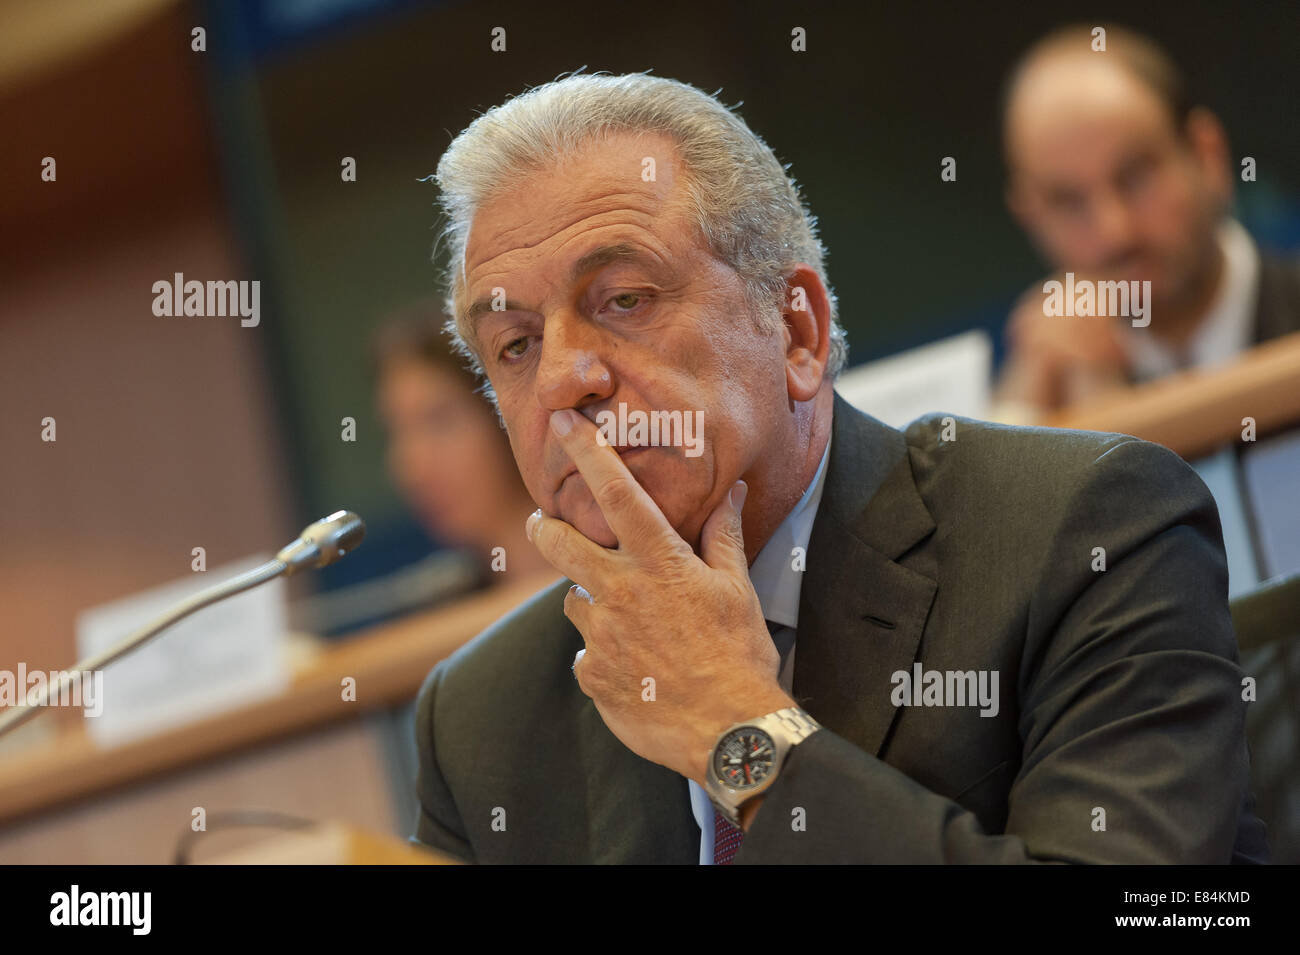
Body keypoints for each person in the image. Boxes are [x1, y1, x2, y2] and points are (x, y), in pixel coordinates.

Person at [411, 72, 1268, 863]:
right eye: (515, 344)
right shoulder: (482, 718)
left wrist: (737, 731)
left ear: (797, 333)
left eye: (624, 300)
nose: (563, 379)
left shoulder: (1089, 531)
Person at [994, 24, 1300, 421]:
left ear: (1208, 155)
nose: (1114, 230)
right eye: (1068, 202)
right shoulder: (1035, 399)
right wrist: (1021, 421)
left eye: (1137, 176)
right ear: (1031, 218)